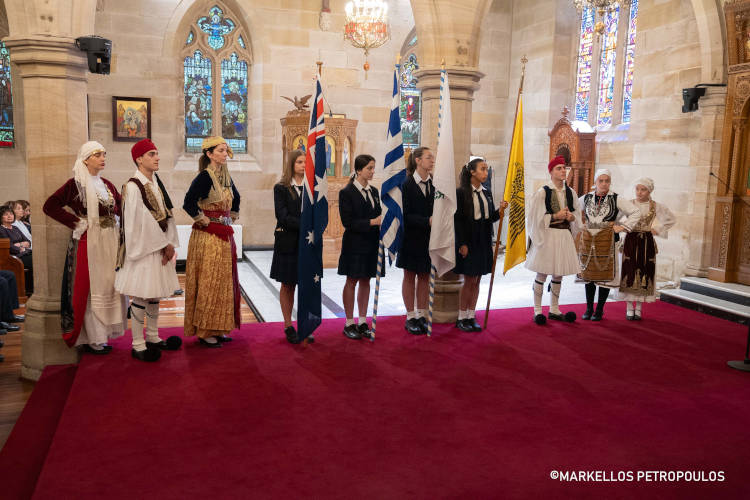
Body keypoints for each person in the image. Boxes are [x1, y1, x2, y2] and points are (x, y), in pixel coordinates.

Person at [42, 141, 126, 353]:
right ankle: (93, 338)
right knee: (91, 287)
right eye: (97, 155)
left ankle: (104, 334)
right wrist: (77, 222)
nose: (103, 158)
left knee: (108, 284)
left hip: (110, 240)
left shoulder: (107, 184)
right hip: (90, 240)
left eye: (104, 154)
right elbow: (50, 206)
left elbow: (120, 208)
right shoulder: (75, 184)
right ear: (86, 159)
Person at [115, 139, 182, 362]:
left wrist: (169, 242)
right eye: (151, 154)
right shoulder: (133, 186)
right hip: (145, 248)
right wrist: (164, 244)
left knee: (154, 294)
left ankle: (152, 336)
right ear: (139, 159)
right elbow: (138, 222)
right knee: (142, 296)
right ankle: (137, 344)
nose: (157, 157)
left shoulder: (155, 183)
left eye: (157, 153)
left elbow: (166, 214)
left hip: (158, 246)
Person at [183, 136, 241, 347]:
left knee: (223, 283)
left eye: (226, 150)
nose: (225, 154)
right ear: (209, 154)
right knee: (210, 281)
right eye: (221, 151)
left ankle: (219, 327)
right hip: (208, 237)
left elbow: (237, 198)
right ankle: (205, 330)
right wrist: (202, 219)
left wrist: (230, 216)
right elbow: (188, 202)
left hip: (224, 235)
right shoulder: (204, 177)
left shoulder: (225, 176)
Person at [453, 157, 508, 332]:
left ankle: (471, 315)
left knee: (478, 280)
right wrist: (462, 243)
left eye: (486, 169)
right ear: (472, 172)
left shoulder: (487, 192)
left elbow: (489, 218)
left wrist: (500, 211)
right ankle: (461, 317)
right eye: (482, 169)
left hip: (484, 239)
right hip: (470, 240)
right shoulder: (462, 193)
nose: (486, 172)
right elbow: (458, 221)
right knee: (469, 279)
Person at [578, 169, 640, 321]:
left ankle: (599, 310)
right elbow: (572, 210)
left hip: (608, 241)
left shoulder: (616, 198)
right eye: (601, 180)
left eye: (607, 181)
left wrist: (622, 227)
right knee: (589, 275)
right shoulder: (586, 198)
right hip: (589, 242)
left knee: (605, 277)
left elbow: (635, 212)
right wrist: (580, 226)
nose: (604, 184)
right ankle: (589, 308)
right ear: (595, 182)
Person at [525, 156, 581, 325]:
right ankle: (537, 310)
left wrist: (572, 217)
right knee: (542, 272)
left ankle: (554, 309)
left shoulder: (571, 193)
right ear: (551, 172)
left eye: (564, 168)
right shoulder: (543, 192)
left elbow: (577, 214)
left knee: (559, 273)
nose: (563, 171)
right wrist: (555, 216)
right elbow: (534, 218)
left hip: (563, 236)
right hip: (548, 236)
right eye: (559, 168)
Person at [619, 177, 676, 320]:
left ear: (649, 191)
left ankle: (638, 308)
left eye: (643, 189)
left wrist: (657, 229)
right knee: (629, 271)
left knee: (645, 271)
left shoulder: (655, 206)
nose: (639, 192)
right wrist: (622, 227)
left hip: (646, 242)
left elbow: (671, 219)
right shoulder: (629, 204)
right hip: (631, 241)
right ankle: (629, 307)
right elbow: (615, 217)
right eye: (637, 189)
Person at [338, 154, 382, 340]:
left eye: (373, 168)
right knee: (352, 281)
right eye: (369, 168)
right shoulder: (347, 192)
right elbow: (348, 222)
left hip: (372, 242)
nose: (372, 172)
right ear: (358, 170)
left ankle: (363, 321)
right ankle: (349, 322)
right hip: (355, 243)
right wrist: (372, 222)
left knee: (366, 281)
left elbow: (379, 213)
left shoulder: (374, 191)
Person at [396, 146, 435, 335]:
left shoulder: (435, 184)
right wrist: (426, 221)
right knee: (410, 276)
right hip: (411, 237)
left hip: (429, 239)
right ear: (418, 160)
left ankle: (421, 314)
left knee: (425, 277)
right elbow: (404, 214)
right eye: (428, 157)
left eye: (432, 158)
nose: (432, 160)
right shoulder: (406, 184)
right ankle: (410, 316)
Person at [271, 149, 307, 344]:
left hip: (308, 243)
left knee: (307, 285)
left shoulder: (313, 188)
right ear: (291, 164)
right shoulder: (281, 188)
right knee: (288, 284)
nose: (303, 165)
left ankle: (305, 324)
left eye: (305, 162)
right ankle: (288, 324)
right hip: (288, 242)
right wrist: (306, 225)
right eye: (299, 162)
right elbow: (282, 216)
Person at [0, 206, 33, 296]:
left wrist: (20, 244)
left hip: (24, 253)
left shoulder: (15, 228)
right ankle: (29, 290)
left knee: (37, 259)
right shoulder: (1, 229)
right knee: (35, 262)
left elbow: (28, 242)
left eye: (11, 214)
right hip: (13, 257)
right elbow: (10, 247)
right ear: (1, 217)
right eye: (6, 214)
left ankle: (31, 289)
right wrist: (21, 247)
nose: (9, 216)